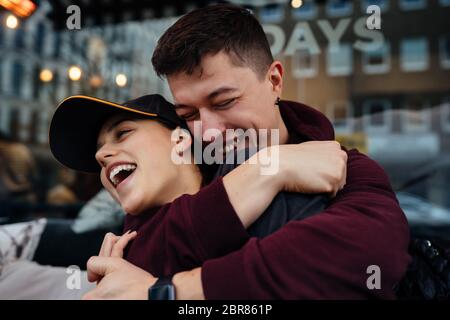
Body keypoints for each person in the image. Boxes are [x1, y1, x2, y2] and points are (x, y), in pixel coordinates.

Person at [75, 4, 411, 300]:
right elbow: (140, 249)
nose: (207, 131)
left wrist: (167, 291)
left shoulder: (347, 167)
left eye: (224, 102)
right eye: (189, 115)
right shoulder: (190, 169)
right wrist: (271, 167)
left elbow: (365, 255)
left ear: (275, 80)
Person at [49, 94, 344, 298]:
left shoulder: (271, 185)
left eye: (123, 132)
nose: (101, 154)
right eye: (99, 149)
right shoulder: (124, 248)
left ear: (180, 140)